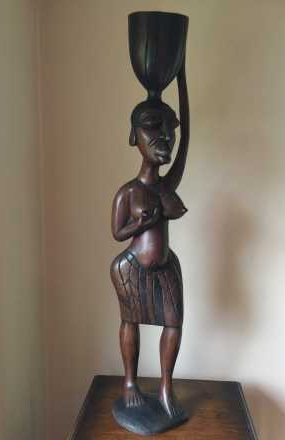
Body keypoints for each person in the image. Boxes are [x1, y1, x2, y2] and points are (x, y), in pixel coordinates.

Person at [110, 63, 189, 418]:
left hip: (165, 267)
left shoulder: (166, 185)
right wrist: (144, 222)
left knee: (174, 323)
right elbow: (117, 233)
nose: (164, 137)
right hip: (131, 268)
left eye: (169, 129)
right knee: (131, 320)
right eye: (152, 127)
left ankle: (165, 386)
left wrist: (181, 79)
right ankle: (130, 382)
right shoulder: (128, 192)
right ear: (134, 137)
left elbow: (185, 145)